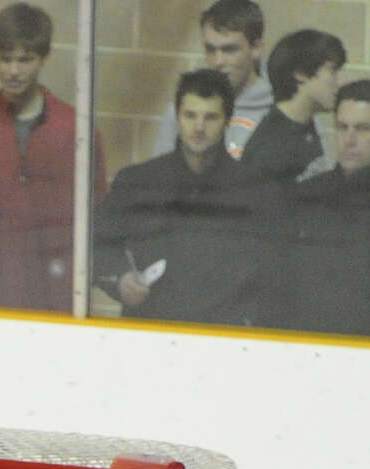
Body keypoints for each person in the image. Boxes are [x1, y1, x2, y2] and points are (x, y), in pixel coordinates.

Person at [0, 3, 107, 313]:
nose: (13, 71)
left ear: (44, 57)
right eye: (5, 58)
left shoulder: (77, 130)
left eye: (25, 60)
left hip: (58, 294)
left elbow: (98, 211)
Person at [95, 69, 276, 326]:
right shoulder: (138, 182)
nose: (199, 128)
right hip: (150, 329)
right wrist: (120, 279)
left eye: (210, 117)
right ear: (178, 117)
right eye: (190, 115)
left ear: (228, 120)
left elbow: (273, 273)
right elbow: (95, 242)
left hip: (224, 335)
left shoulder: (256, 193)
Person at [279, 80, 370, 339]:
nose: (349, 140)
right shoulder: (306, 197)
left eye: (363, 129)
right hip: (310, 345)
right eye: (342, 127)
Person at [151, 1, 270, 160]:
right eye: (210, 49)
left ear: (256, 48)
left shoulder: (282, 109)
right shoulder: (184, 108)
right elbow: (159, 171)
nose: (218, 61)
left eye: (229, 50)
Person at [241, 29, 345, 185]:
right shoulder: (271, 148)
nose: (340, 82)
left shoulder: (305, 125)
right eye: (332, 70)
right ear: (301, 73)